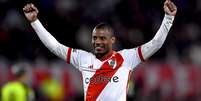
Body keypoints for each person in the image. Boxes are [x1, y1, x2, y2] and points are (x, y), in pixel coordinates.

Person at [23, 0, 177, 100]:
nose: (97, 41)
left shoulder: (127, 58)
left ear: (112, 40)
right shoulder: (83, 58)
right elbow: (55, 46)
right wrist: (35, 22)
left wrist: (168, 19)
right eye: (95, 38)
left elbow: (155, 43)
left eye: (102, 38)